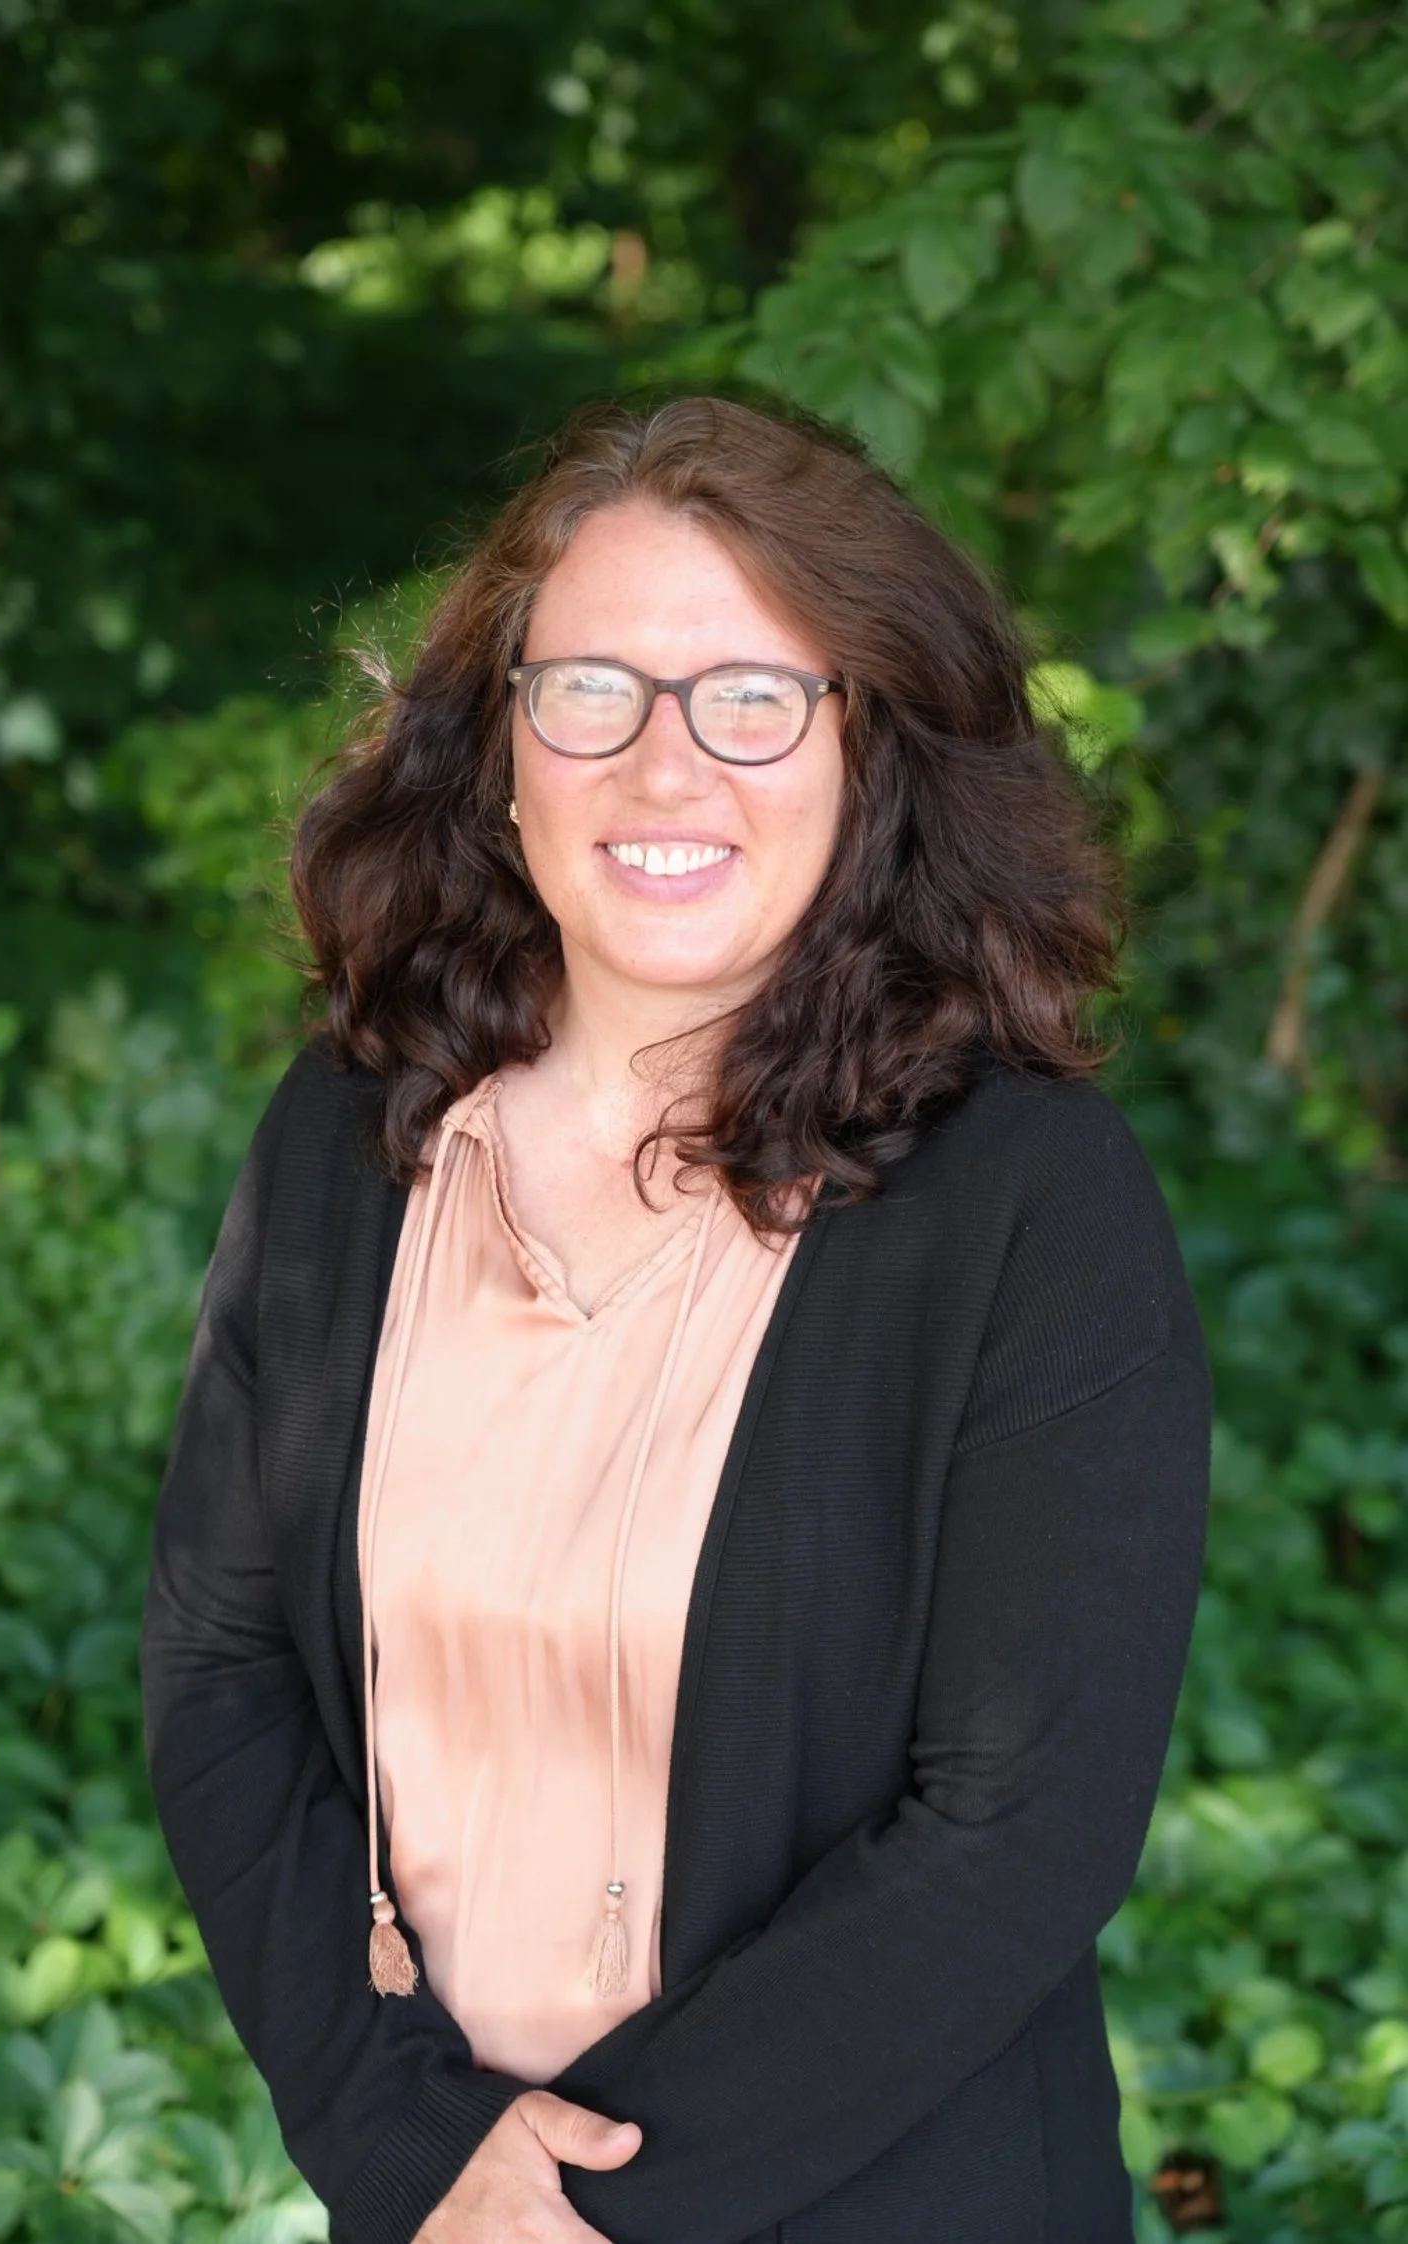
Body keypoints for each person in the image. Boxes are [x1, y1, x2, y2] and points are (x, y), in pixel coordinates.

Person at [141, 393, 1212, 2244]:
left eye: (751, 695)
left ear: (864, 748)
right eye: (594, 693)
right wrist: (415, 2153)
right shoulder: (347, 1139)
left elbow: (1012, 1832)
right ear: (499, 751)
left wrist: (578, 2207)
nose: (665, 769)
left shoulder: (1033, 1204)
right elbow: (222, 1669)